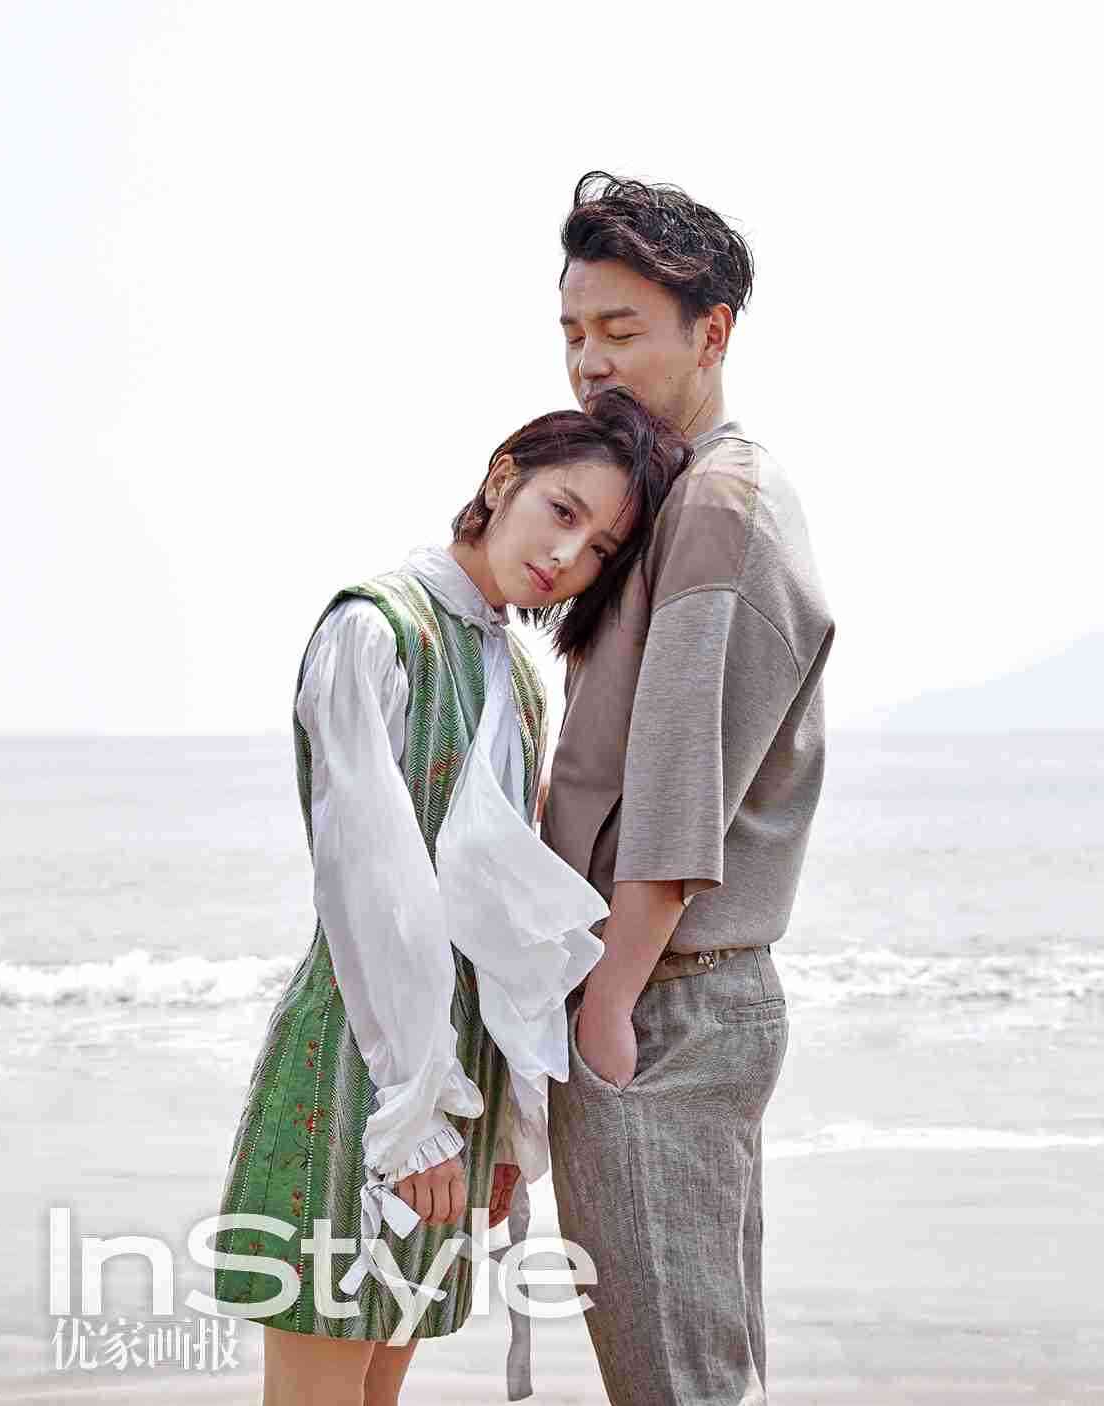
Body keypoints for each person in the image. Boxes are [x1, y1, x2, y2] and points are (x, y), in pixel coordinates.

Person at [212, 387, 692, 1406]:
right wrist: (416, 1109)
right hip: (371, 1067)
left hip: (457, 1079)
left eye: (600, 548)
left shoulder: (514, 670)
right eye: (562, 510)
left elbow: (506, 920)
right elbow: (369, 882)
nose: (567, 556)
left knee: (377, 1385)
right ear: (502, 478)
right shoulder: (374, 629)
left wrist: (507, 1122)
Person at [542, 173, 836, 1405]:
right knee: (696, 1368)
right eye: (572, 333)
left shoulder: (717, 502)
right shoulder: (676, 494)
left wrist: (606, 1003)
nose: (589, 364)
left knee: (677, 1381)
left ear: (711, 333)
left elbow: (677, 785)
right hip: (661, 990)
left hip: (660, 997)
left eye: (620, 331)